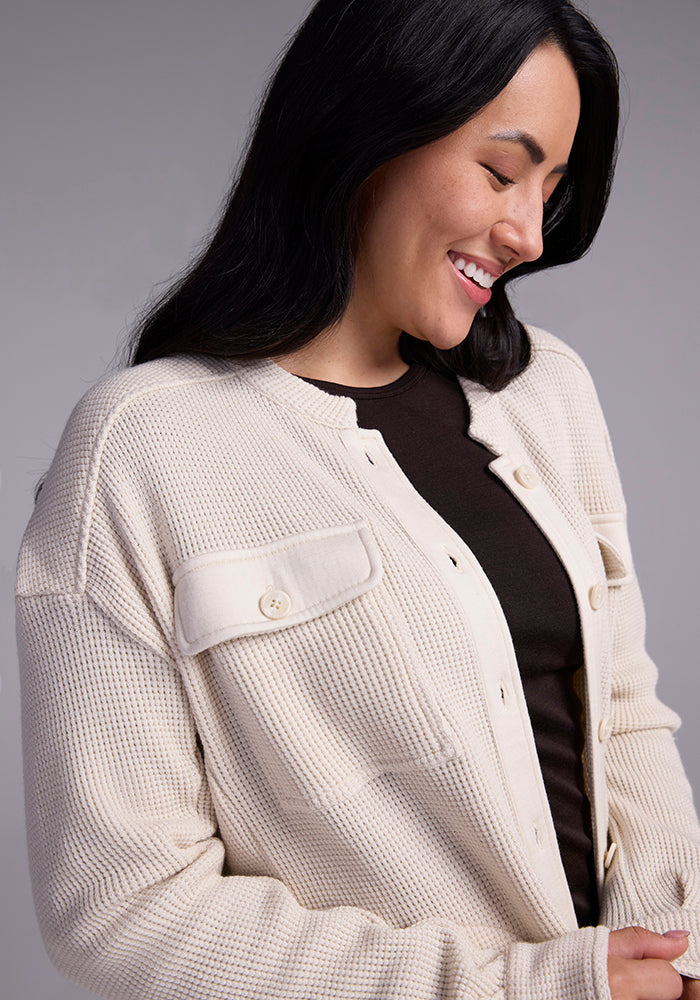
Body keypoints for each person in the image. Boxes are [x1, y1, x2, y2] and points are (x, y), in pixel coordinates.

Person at [15, 0, 700, 997]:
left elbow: (623, 713)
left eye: (549, 189)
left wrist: (668, 950)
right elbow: (121, 911)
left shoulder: (543, 393)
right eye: (501, 171)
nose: (527, 233)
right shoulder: (144, 448)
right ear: (363, 130)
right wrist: (537, 986)